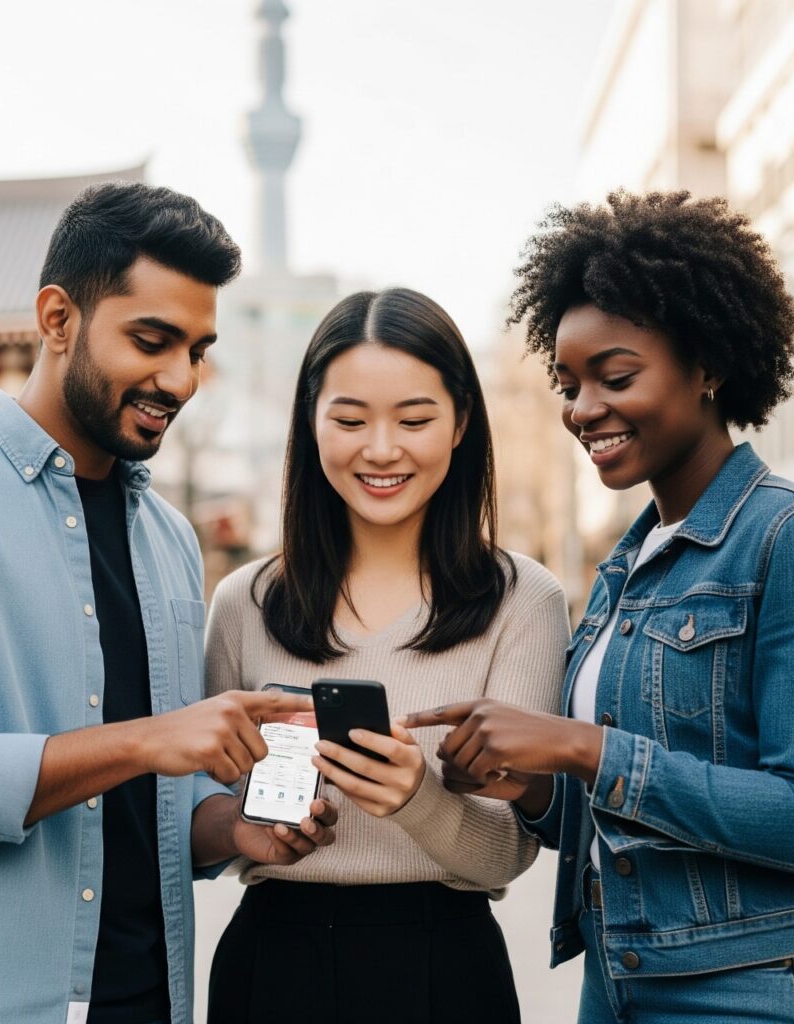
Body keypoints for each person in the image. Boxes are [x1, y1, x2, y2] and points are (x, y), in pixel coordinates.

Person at [0, 181, 336, 1024]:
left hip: (149, 1003)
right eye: (152, 340)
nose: (180, 379)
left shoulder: (170, 540)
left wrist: (232, 831)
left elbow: (152, 804)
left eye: (198, 349)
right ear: (58, 319)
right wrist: (143, 740)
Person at [406, 191, 794, 1022]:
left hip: (746, 993)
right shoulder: (627, 569)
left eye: (615, 376)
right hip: (618, 981)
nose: (582, 409)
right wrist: (522, 782)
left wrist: (586, 747)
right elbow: (611, 816)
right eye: (568, 383)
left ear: (708, 366)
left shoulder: (790, 536)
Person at [204, 287, 570, 1024]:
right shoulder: (243, 602)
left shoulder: (524, 600)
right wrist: (255, 831)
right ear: (311, 424)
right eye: (348, 419)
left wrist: (417, 800)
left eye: (414, 419)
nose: (380, 449)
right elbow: (202, 813)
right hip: (271, 965)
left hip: (444, 968)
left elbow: (509, 854)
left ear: (462, 421)